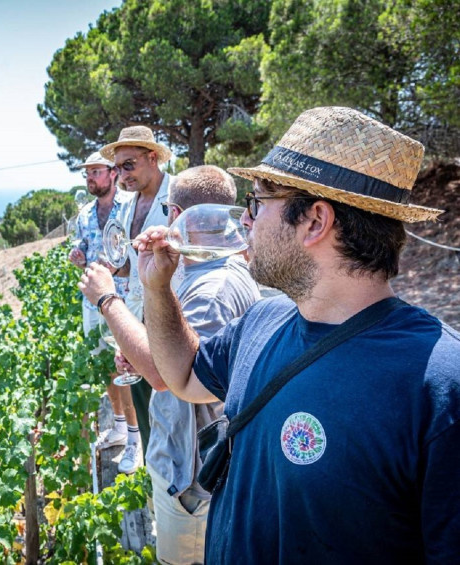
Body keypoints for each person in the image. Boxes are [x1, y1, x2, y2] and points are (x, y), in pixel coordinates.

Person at [137, 106, 460, 563]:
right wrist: (157, 288)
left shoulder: (442, 385)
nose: (244, 221)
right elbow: (184, 377)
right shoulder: (262, 321)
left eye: (257, 201)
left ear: (315, 221)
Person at [79, 166, 260, 565]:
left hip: (191, 474)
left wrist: (108, 300)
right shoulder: (212, 268)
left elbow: (169, 377)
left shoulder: (211, 291)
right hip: (196, 465)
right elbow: (176, 350)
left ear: (175, 213)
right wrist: (142, 349)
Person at [97, 125, 174, 471]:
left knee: (175, 404)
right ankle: (154, 478)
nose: (121, 176)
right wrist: (111, 271)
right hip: (137, 313)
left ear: (152, 157)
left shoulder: (178, 197)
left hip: (172, 317)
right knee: (143, 403)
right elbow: (129, 267)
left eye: (128, 165)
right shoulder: (126, 207)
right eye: (117, 169)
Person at [67, 151, 141, 472]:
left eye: (96, 172)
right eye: (87, 174)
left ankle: (137, 441)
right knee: (106, 366)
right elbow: (81, 247)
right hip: (92, 303)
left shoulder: (131, 207)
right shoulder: (84, 214)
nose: (90, 179)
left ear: (112, 173)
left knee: (129, 367)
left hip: (123, 301)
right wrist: (78, 256)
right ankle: (121, 427)